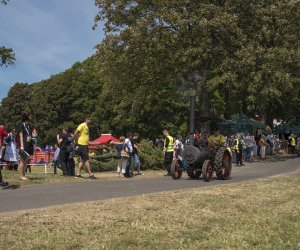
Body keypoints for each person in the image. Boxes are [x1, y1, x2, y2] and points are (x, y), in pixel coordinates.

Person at [17, 111, 34, 181]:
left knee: (26, 160)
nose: (31, 117)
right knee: (22, 161)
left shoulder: (30, 125)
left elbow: (30, 135)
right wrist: (21, 146)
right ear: (27, 116)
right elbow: (21, 136)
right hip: (24, 145)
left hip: (29, 144)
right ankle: (21, 176)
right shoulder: (22, 125)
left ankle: (24, 175)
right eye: (30, 115)